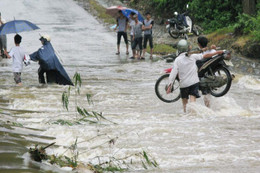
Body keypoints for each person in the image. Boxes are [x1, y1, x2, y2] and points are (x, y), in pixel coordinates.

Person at [167, 39, 223, 112]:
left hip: (183, 84)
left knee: (185, 105)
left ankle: (185, 118)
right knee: (192, 103)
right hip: (193, 83)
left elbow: (173, 73)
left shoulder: (177, 59)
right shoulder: (193, 56)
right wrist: (217, 52)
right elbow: (204, 55)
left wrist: (169, 85)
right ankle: (193, 117)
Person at [196, 36, 216, 107]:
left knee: (205, 93)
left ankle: (208, 110)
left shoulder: (199, 54)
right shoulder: (212, 51)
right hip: (211, 75)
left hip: (203, 76)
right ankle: (209, 109)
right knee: (208, 94)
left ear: (199, 44)